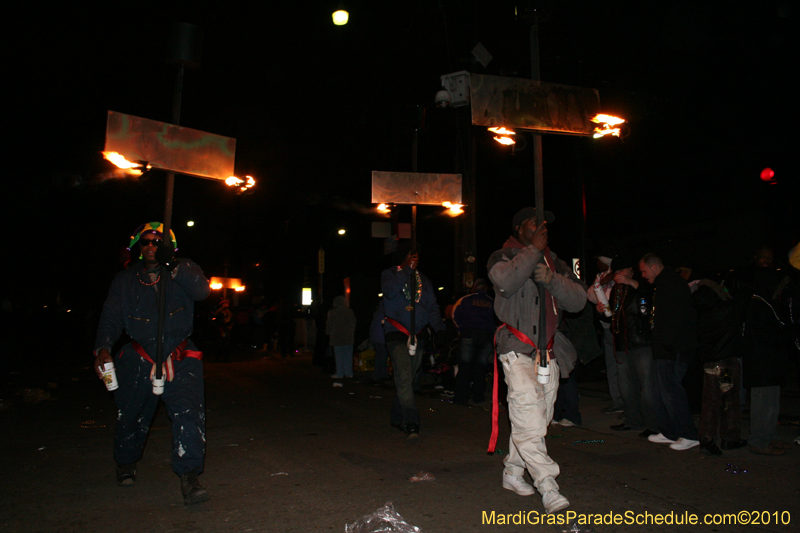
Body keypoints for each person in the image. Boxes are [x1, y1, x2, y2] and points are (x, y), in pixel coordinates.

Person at [93, 222, 211, 505]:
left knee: (189, 418)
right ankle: (125, 462)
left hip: (180, 357)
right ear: (138, 245)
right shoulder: (125, 280)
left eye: (158, 243)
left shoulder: (184, 269)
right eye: (146, 242)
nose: (151, 247)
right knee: (131, 416)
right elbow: (111, 315)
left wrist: (174, 265)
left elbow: (202, 291)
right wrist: (102, 348)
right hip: (138, 358)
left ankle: (190, 477)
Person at [488, 207, 586, 515]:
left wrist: (553, 280)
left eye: (545, 224)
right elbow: (505, 282)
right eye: (535, 223)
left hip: (549, 352)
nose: (542, 227)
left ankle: (513, 472)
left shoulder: (555, 261)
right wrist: (533, 252)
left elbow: (579, 299)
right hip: (517, 347)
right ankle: (548, 485)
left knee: (536, 421)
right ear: (519, 229)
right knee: (529, 412)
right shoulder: (502, 255)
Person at [381, 246, 446, 439]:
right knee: (403, 375)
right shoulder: (389, 274)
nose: (414, 259)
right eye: (410, 256)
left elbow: (432, 306)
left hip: (418, 333)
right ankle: (411, 422)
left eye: (416, 256)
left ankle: (396, 415)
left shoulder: (424, 280)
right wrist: (406, 269)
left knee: (407, 379)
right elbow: (390, 292)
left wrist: (440, 328)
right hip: (397, 332)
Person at [639, 252, 699, 451]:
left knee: (672, 391)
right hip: (665, 347)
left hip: (672, 349)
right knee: (662, 391)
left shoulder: (672, 284)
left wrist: (666, 345)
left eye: (644, 271)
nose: (643, 275)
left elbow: (674, 319)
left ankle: (688, 433)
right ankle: (670, 431)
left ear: (654, 267)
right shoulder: (664, 283)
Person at [599, 255, 658, 438]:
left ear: (631, 270)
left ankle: (654, 424)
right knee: (626, 385)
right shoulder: (617, 289)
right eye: (616, 271)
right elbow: (611, 316)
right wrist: (601, 311)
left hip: (641, 342)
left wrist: (631, 282)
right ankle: (632, 420)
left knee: (647, 385)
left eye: (622, 270)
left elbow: (650, 296)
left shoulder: (640, 283)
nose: (619, 275)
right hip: (622, 343)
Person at [692, 279, 746, 455]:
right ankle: (729, 438)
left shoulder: (698, 312)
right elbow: (743, 302)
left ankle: (707, 439)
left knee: (710, 402)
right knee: (729, 402)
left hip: (710, 363)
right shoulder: (725, 309)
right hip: (726, 362)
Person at [586, 255, 624, 415]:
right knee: (612, 367)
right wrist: (599, 283)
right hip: (607, 326)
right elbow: (590, 295)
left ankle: (628, 402)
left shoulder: (617, 277)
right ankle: (618, 401)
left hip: (620, 328)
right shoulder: (601, 278)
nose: (597, 264)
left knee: (623, 367)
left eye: (599, 261)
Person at [451, 278, 496, 405]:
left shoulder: (466, 299)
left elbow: (454, 314)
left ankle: (461, 397)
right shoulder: (492, 302)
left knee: (465, 367)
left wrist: (460, 329)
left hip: (468, 335)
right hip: (486, 336)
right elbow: (498, 319)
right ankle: (478, 396)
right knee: (481, 367)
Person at [326, 295, 357, 378]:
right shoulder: (349, 311)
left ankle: (340, 373)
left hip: (337, 337)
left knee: (339, 357)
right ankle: (349, 373)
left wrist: (328, 332)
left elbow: (330, 324)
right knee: (348, 356)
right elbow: (354, 323)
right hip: (348, 337)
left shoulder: (333, 312)